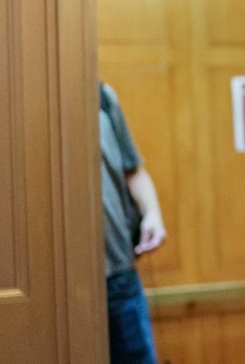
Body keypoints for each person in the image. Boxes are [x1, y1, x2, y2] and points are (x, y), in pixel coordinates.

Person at [100, 82, 167, 364]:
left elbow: (134, 171)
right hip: (59, 286)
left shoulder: (100, 95)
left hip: (118, 276)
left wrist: (152, 213)